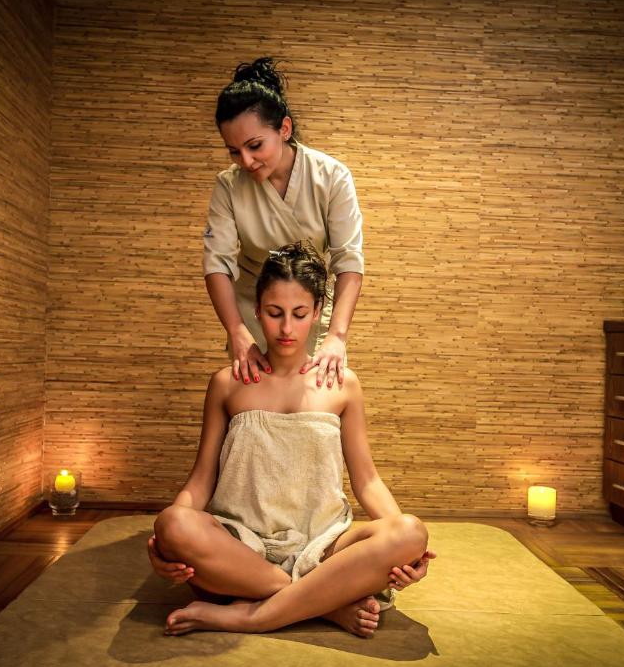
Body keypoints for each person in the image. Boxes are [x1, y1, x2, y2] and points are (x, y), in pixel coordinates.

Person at [148, 242, 436, 637]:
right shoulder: (228, 384)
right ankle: (324, 604)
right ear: (256, 310)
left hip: (323, 545)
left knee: (411, 532)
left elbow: (367, 481)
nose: (286, 329)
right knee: (172, 523)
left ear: (317, 312)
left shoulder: (343, 385)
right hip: (241, 547)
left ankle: (250, 615)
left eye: (299, 314)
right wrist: (162, 542)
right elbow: (201, 481)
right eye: (274, 313)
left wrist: (407, 552)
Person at [204, 57, 365, 390]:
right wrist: (237, 331)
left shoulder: (331, 177)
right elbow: (216, 264)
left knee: (317, 404)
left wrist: (336, 336)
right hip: (254, 313)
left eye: (255, 146)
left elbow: (348, 260)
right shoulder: (229, 186)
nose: (246, 161)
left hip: (310, 313)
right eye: (234, 151)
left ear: (285, 129)